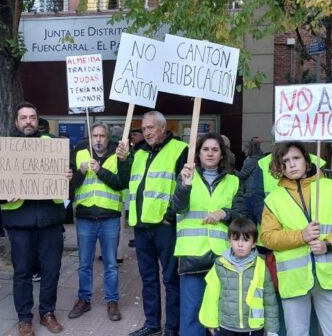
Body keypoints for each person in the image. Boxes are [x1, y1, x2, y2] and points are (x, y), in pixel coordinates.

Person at [261, 141, 332, 336]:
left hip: (330, 275)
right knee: (297, 333)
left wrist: (328, 244)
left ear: (306, 160)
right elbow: (268, 238)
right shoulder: (273, 199)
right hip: (294, 279)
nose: (292, 164)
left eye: (296, 158)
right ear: (280, 167)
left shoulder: (331, 188)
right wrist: (301, 236)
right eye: (285, 161)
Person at [0, 101, 72, 336]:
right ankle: (24, 318)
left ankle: (47, 313)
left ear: (38, 120)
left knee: (51, 269)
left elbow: (67, 176)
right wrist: (2, 192)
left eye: (32, 117)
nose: (28, 121)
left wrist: (68, 174)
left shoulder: (53, 145)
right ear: (16, 122)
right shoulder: (3, 147)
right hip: (19, 221)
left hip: (49, 219)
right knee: (22, 272)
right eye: (23, 117)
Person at [116, 110, 188, 336]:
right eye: (144, 129)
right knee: (148, 278)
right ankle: (152, 324)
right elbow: (125, 182)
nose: (146, 132)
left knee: (170, 279)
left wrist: (169, 216)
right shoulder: (139, 152)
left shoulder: (180, 150)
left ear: (163, 128)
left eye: (151, 128)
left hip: (165, 226)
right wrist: (123, 160)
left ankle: (172, 329)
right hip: (142, 226)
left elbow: (184, 188)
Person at [168, 133, 246, 336]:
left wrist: (225, 213)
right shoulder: (187, 176)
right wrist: (185, 186)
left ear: (222, 155)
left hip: (224, 257)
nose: (210, 153)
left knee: (222, 314)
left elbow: (242, 217)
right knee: (192, 314)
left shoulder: (234, 181)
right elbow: (176, 207)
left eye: (215, 149)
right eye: (205, 149)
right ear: (198, 154)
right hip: (193, 256)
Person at [68, 122, 129, 322]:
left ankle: (112, 301)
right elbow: (70, 185)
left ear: (108, 137)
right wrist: (81, 171)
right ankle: (83, 300)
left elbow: (122, 183)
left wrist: (100, 170)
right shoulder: (79, 153)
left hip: (109, 217)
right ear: (90, 137)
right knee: (84, 263)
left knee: (111, 264)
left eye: (102, 136)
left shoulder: (117, 155)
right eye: (95, 136)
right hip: (85, 217)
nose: (98, 140)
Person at [199, 215, 279, 336]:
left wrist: (272, 330)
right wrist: (211, 324)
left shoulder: (261, 266)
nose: (240, 244)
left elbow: (269, 300)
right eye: (236, 239)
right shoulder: (220, 264)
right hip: (226, 327)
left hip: (253, 328)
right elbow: (211, 295)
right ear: (229, 241)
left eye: (246, 240)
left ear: (254, 243)